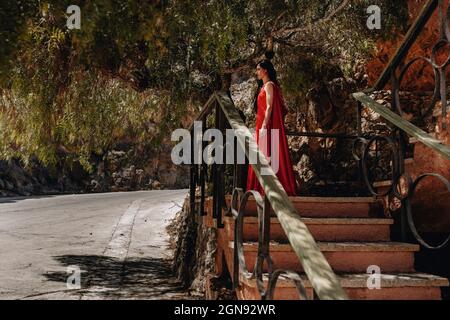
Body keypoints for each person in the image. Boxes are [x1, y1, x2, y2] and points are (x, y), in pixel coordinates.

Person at [246, 59, 297, 197]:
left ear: (265, 70)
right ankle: (263, 187)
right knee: (263, 154)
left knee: (267, 153)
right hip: (261, 124)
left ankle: (270, 188)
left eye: (258, 69)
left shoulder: (269, 85)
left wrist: (264, 126)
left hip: (266, 125)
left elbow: (269, 106)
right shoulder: (263, 87)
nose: (256, 72)